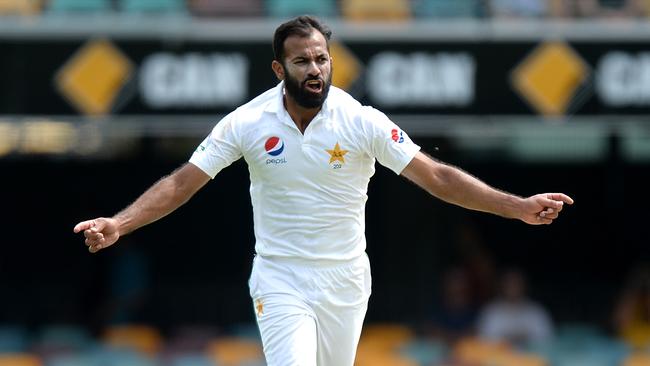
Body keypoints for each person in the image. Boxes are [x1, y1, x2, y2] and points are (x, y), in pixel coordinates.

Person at [73, 15, 574, 366]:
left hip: (346, 281)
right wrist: (121, 223)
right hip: (280, 277)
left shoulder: (360, 120)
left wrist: (517, 207)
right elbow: (184, 181)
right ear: (278, 69)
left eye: (322, 59)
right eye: (302, 62)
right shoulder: (248, 122)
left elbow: (436, 176)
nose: (315, 70)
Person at [476, 269, 554, 347]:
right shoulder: (490, 312)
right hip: (497, 358)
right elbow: (483, 342)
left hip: (532, 357)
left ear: (524, 286)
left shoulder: (537, 312)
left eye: (517, 283)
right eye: (509, 283)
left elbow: (547, 340)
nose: (513, 287)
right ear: (502, 286)